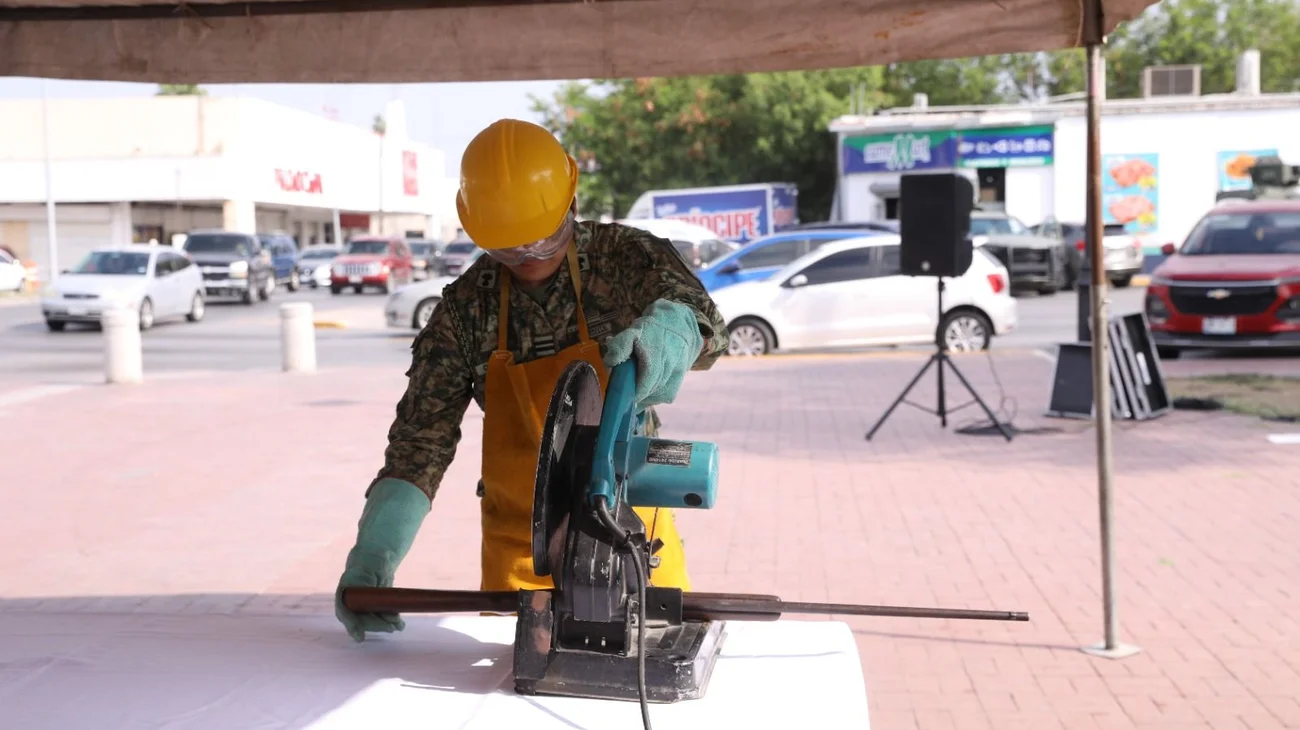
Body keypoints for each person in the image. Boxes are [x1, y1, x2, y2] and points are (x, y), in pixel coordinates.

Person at [334, 118, 730, 642]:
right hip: (522, 551)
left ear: (570, 199)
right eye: (510, 249)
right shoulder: (463, 311)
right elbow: (418, 446)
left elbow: (707, 324)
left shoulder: (626, 258)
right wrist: (373, 558)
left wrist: (675, 332)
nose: (530, 259)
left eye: (544, 241)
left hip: (631, 537)